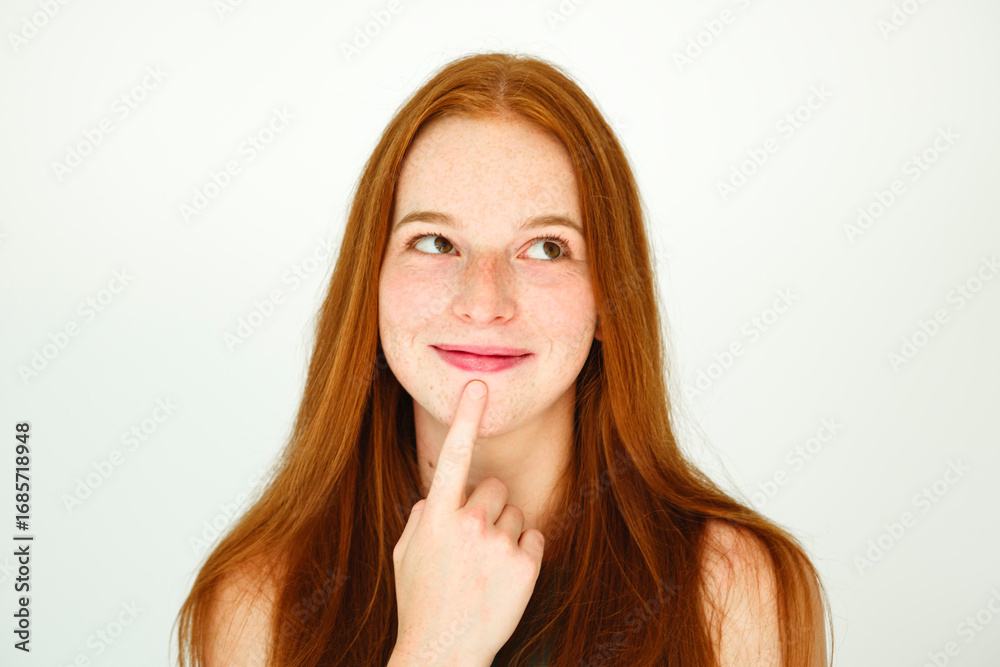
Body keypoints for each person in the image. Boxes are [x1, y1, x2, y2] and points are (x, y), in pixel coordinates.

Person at [174, 51, 832, 666]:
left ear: (610, 299)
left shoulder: (730, 587)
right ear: (369, 284)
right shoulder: (257, 603)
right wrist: (433, 649)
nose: (483, 301)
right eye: (435, 242)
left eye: (546, 248)